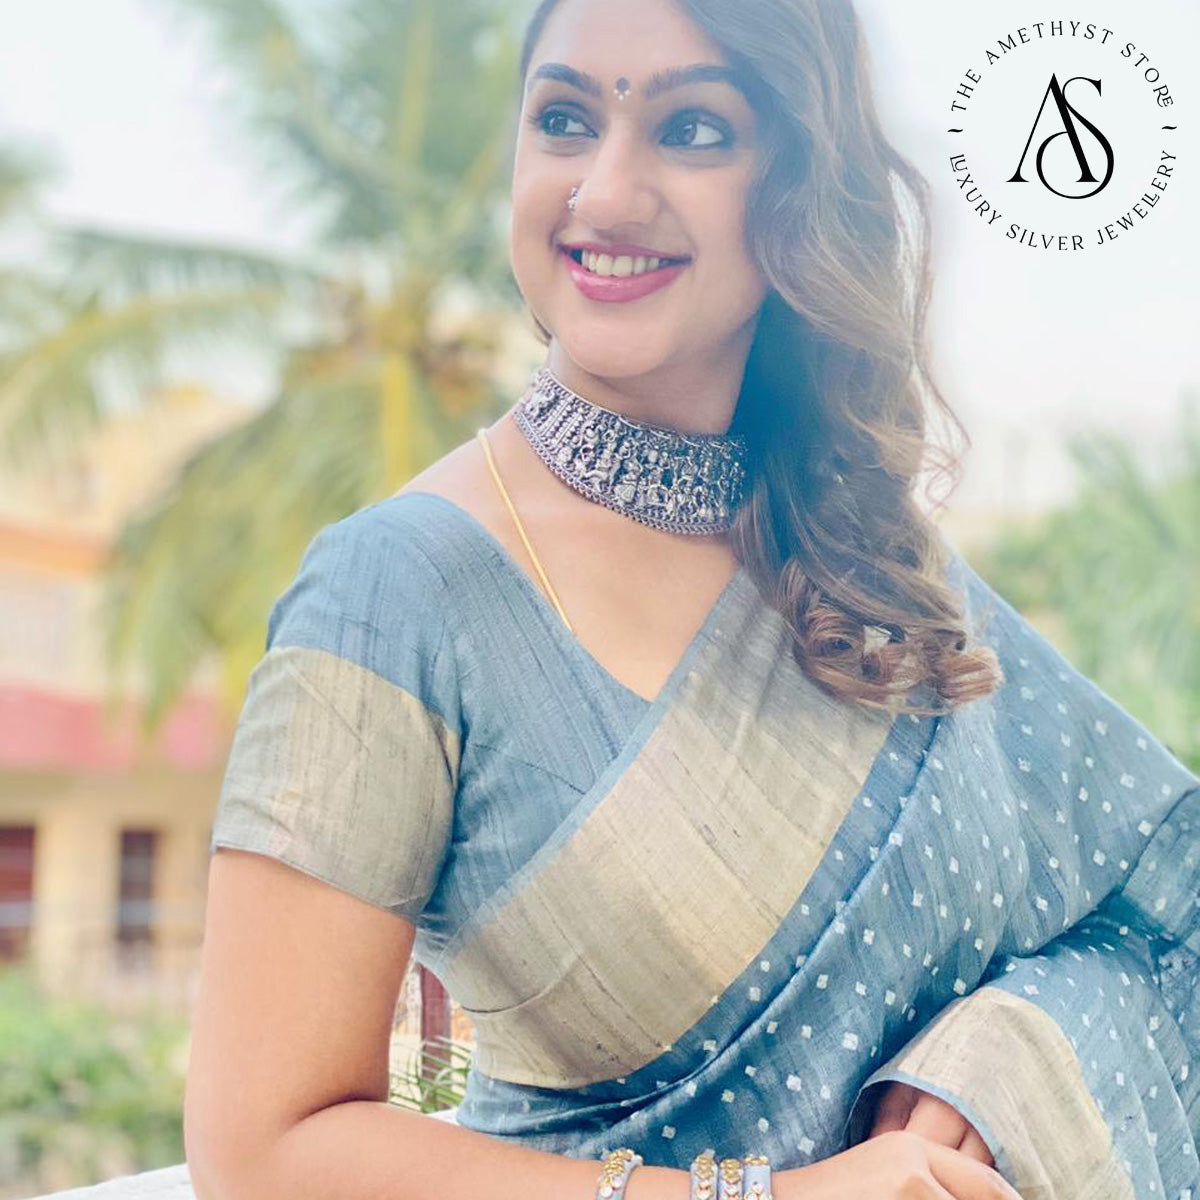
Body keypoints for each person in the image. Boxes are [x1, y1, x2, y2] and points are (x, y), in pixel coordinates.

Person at [184, 0, 1200, 1198]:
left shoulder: (872, 564)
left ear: (799, 184)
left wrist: (999, 1063)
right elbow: (262, 1146)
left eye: (693, 129)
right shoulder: (395, 591)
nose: (606, 193)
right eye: (565, 119)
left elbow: (1165, 895)